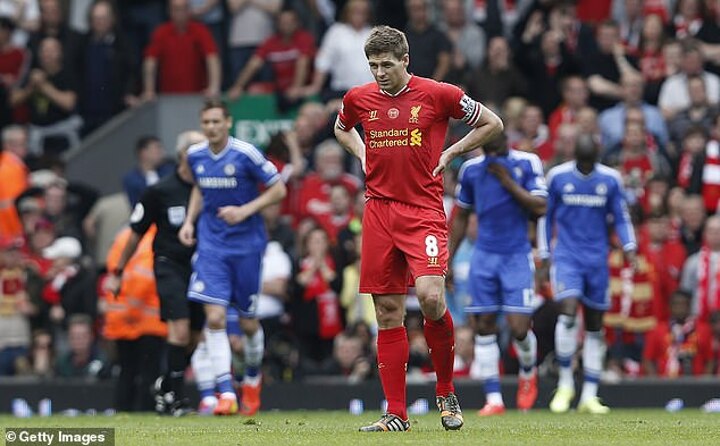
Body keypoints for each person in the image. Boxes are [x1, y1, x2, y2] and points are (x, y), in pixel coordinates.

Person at [334, 25, 503, 432]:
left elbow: (492, 123)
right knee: (387, 311)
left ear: (405, 60)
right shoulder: (358, 98)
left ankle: (446, 390)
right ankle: (396, 412)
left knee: (430, 297)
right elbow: (341, 128)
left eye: (387, 65)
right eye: (373, 66)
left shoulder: (438, 94)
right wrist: (361, 152)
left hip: (423, 211)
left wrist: (452, 150)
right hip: (379, 211)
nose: (379, 73)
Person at [179, 100, 286, 416]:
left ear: (228, 123)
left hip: (247, 246)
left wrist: (245, 211)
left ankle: (252, 377)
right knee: (214, 317)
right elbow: (199, 188)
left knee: (248, 323)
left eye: (216, 122)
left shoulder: (246, 153)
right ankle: (226, 391)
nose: (211, 128)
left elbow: (278, 189)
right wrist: (189, 221)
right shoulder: (195, 155)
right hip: (212, 245)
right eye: (206, 122)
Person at [105, 130, 205, 416]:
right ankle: (176, 398)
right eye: (198, 151)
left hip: (201, 268)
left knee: (194, 336)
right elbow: (136, 232)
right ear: (183, 155)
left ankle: (166, 383)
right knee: (180, 329)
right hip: (169, 264)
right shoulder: (160, 191)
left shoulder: (210, 189)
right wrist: (118, 271)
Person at [449, 133, 547, 416]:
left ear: (504, 138)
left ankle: (528, 372)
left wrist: (507, 181)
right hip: (484, 256)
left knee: (519, 328)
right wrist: (448, 259)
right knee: (484, 324)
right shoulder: (471, 170)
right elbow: (461, 216)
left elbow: (541, 206)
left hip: (516, 255)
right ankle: (493, 398)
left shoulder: (526, 163)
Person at [538, 135, 637, 414]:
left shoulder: (610, 179)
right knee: (568, 311)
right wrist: (544, 253)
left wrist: (629, 246)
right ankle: (566, 384)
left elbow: (621, 216)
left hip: (597, 261)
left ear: (596, 155)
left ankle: (589, 396)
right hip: (567, 257)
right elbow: (546, 217)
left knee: (595, 325)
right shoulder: (558, 177)